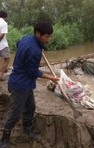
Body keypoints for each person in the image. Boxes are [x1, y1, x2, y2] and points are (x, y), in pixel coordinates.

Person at [0, 20, 59, 148]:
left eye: (49, 36)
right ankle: (4, 138)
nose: (48, 39)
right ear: (38, 34)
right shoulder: (34, 51)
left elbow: (18, 43)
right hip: (20, 84)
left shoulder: (26, 38)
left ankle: (27, 129)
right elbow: (33, 72)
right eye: (46, 36)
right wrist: (51, 77)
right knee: (15, 113)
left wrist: (35, 48)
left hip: (25, 82)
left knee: (31, 107)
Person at [0, 11, 10, 81]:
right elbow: (2, 34)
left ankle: (4, 69)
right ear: (5, 17)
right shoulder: (4, 23)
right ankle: (1, 75)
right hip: (2, 45)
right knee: (7, 59)